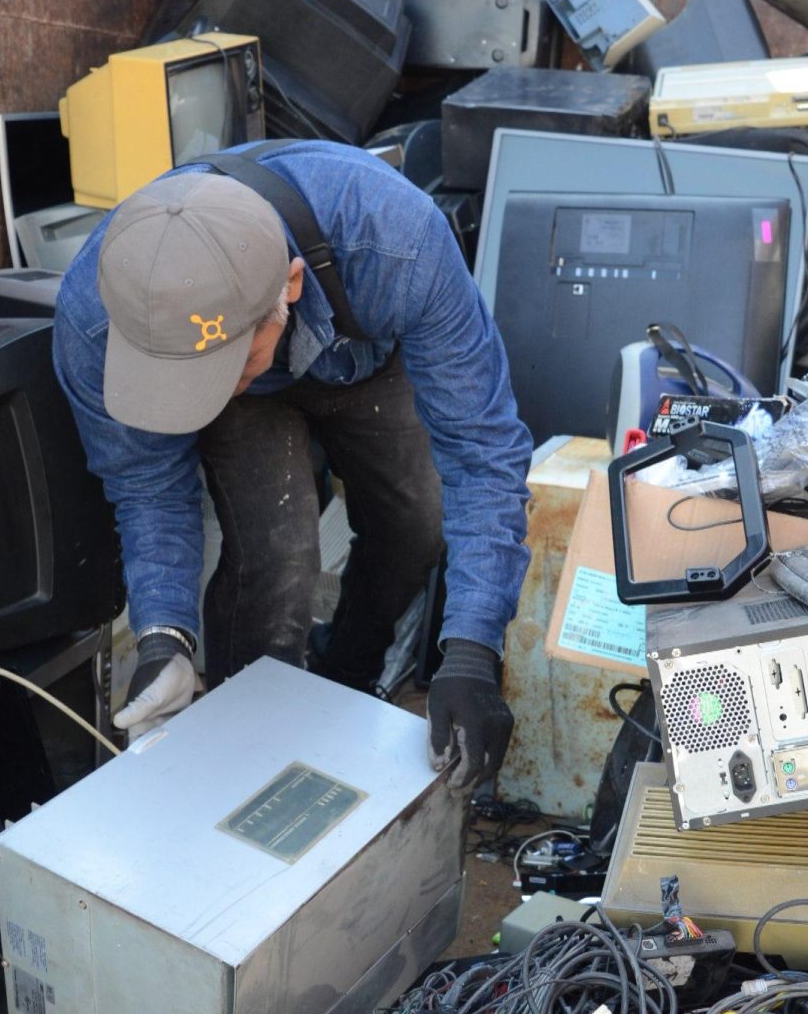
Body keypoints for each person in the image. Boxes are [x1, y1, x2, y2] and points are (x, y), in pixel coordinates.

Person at [53, 139, 532, 789]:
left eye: (214, 371)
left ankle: (347, 681)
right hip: (254, 397)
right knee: (276, 562)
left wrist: (473, 651)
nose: (198, 394)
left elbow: (481, 452)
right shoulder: (93, 322)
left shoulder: (397, 240)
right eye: (178, 379)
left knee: (419, 522)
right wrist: (165, 635)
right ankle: (248, 762)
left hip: (358, 341)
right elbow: (146, 485)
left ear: (289, 287)